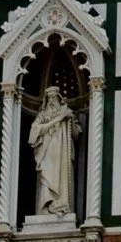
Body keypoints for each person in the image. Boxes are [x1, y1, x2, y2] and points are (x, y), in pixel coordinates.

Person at [28, 86, 77, 218]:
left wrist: (70, 120)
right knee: (47, 177)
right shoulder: (43, 115)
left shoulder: (66, 112)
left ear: (59, 99)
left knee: (62, 177)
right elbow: (34, 132)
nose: (51, 101)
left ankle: (60, 205)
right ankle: (46, 207)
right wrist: (58, 119)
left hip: (62, 153)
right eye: (49, 98)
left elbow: (76, 134)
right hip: (47, 152)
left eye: (54, 98)